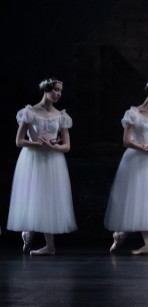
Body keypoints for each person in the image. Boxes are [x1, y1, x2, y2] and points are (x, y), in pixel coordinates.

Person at [104, 79, 148, 255]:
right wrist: (143, 147)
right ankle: (122, 232)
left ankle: (147, 244)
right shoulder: (134, 113)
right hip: (136, 159)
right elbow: (126, 140)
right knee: (133, 198)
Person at [7, 78, 77, 255]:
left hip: (53, 160)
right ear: (46, 89)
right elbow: (19, 141)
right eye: (55, 89)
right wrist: (38, 144)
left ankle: (50, 246)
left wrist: (53, 146)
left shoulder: (61, 115)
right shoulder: (30, 112)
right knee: (34, 194)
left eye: (61, 90)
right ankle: (29, 230)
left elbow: (67, 146)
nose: (59, 93)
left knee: (49, 198)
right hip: (33, 158)